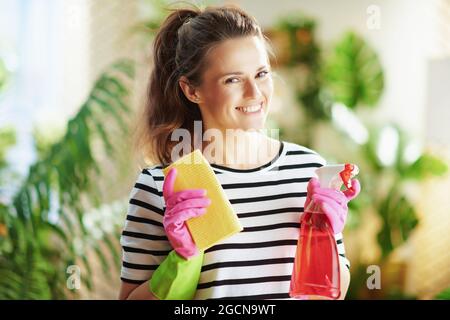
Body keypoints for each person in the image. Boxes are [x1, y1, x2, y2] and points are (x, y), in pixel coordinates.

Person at [118, 4, 360, 300]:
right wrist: (183, 258)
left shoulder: (309, 169)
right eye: (232, 79)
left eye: (261, 74)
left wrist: (324, 240)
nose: (255, 93)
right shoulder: (163, 187)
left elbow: (331, 294)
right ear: (191, 90)